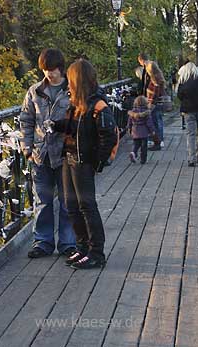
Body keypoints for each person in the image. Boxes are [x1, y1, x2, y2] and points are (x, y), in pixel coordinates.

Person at [54, 59, 117, 269]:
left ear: (77, 80)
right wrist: (56, 126)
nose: (67, 83)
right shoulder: (77, 103)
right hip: (69, 158)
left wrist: (96, 161)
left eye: (70, 79)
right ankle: (81, 248)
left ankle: (96, 253)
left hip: (83, 162)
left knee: (87, 206)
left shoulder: (98, 105)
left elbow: (109, 136)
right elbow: (73, 127)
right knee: (71, 206)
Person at [18, 48, 77, 259]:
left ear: (60, 68)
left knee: (67, 200)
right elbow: (26, 120)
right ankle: (43, 242)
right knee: (42, 200)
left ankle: (68, 242)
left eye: (51, 69)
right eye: (45, 70)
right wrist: (27, 149)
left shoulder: (72, 90)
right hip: (40, 154)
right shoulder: (34, 91)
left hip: (65, 153)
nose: (48, 74)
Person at [176, 61, 198, 166]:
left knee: (191, 134)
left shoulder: (183, 80)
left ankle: (192, 158)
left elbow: (179, 95)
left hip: (188, 110)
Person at [137, 53, 167, 150]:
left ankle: (157, 141)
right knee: (158, 120)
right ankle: (159, 140)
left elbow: (154, 92)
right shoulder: (158, 78)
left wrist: (151, 103)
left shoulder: (154, 81)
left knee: (154, 120)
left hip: (153, 102)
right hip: (157, 101)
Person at [127, 96, 153, 164]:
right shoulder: (146, 112)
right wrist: (152, 130)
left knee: (136, 144)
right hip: (144, 132)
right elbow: (149, 123)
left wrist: (129, 129)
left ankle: (133, 153)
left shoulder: (132, 112)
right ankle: (143, 160)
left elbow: (129, 122)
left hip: (135, 131)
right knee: (144, 147)